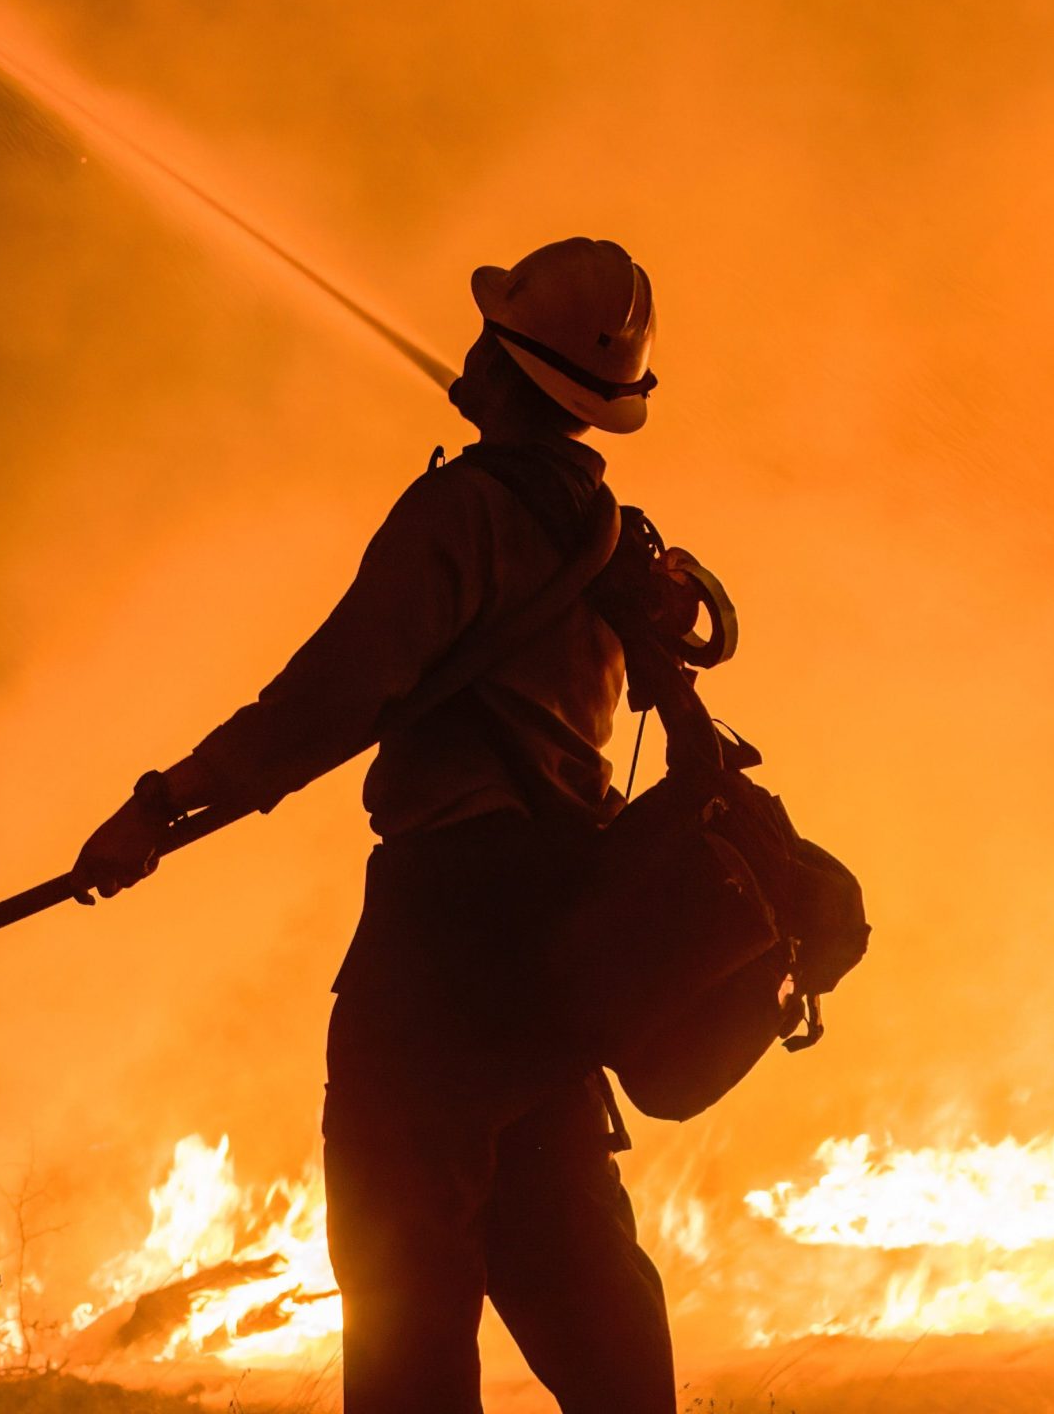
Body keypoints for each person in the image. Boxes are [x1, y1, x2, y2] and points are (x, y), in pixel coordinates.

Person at [73, 238, 674, 1414]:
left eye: (484, 339)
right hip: (556, 938)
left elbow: (334, 695)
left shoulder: (464, 512)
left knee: (404, 1266)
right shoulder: (611, 538)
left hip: (443, 932)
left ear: (501, 367)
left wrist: (159, 806)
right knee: (567, 1250)